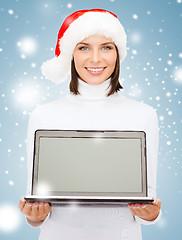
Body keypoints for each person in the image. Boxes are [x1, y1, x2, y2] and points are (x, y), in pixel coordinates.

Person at [18, 9, 161, 240]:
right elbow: (37, 206)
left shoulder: (143, 114)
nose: (95, 59)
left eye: (106, 47)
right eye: (83, 47)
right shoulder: (43, 115)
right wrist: (34, 214)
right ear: (70, 54)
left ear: (118, 53)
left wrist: (152, 214)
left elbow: (147, 200)